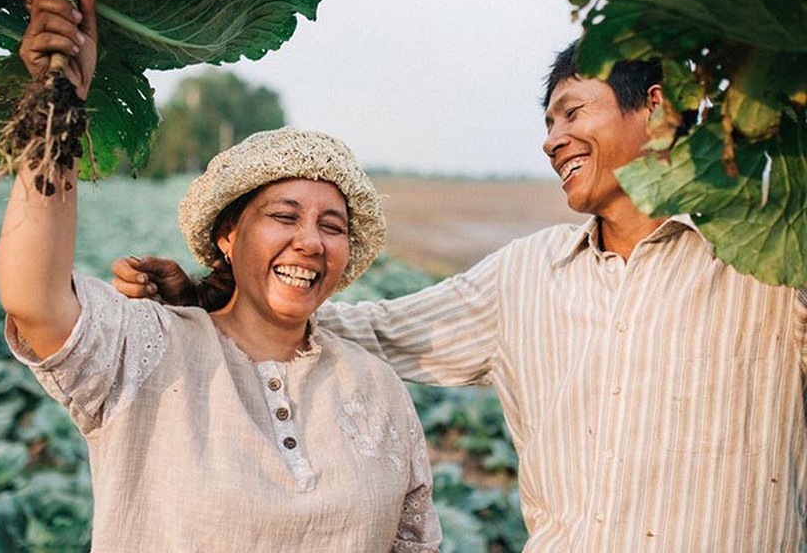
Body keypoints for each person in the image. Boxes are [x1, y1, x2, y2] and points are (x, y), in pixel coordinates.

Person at [113, 43, 807, 550]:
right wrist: (219, 296)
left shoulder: (772, 263)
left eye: (571, 113)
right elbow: (374, 331)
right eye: (546, 124)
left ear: (653, 107)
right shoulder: (523, 277)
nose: (551, 140)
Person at [0, 0, 441, 552]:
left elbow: (415, 543)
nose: (310, 241)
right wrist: (57, 99)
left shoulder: (376, 387)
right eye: (284, 216)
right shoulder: (151, 346)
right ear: (227, 237)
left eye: (332, 227)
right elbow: (33, 298)